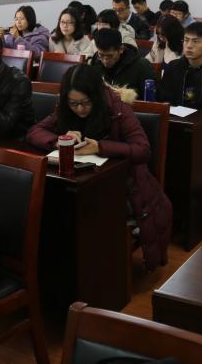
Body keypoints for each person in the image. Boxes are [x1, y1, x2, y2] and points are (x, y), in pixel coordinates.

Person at [26, 64, 172, 270]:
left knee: (78, 213)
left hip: (122, 187)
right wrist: (59, 141)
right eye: (73, 103)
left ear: (96, 96)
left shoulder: (118, 109)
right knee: (52, 208)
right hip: (80, 181)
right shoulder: (65, 108)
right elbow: (35, 132)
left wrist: (100, 147)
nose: (79, 109)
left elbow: (143, 150)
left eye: (85, 103)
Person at [90, 28, 158, 99]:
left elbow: (154, 99)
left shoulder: (142, 66)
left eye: (110, 56)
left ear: (121, 49)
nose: (105, 61)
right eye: (101, 55)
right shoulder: (95, 63)